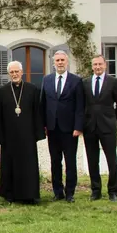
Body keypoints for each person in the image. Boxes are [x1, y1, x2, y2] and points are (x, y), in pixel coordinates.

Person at [0, 61, 45, 204]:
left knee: (29, 165)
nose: (14, 74)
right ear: (9, 74)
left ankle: (30, 194)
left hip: (28, 136)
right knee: (9, 165)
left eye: (17, 72)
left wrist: (38, 133)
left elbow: (38, 113)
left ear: (22, 72)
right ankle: (10, 194)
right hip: (9, 137)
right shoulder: (2, 92)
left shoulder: (32, 90)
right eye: (12, 72)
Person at [40, 50, 84, 203]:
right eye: (57, 60)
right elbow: (43, 104)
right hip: (52, 129)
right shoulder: (47, 80)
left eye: (62, 60)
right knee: (55, 162)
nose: (60, 63)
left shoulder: (76, 81)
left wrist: (78, 127)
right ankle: (58, 192)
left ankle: (70, 193)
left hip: (70, 129)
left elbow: (80, 106)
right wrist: (44, 125)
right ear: (53, 63)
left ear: (67, 62)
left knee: (70, 162)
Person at [83, 54, 117, 202]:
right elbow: (83, 105)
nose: (97, 67)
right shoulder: (86, 82)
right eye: (95, 65)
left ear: (105, 65)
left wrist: (112, 118)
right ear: (92, 66)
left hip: (107, 127)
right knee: (92, 160)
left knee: (111, 160)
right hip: (90, 128)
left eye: (100, 64)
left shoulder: (113, 82)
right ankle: (96, 190)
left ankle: (113, 191)